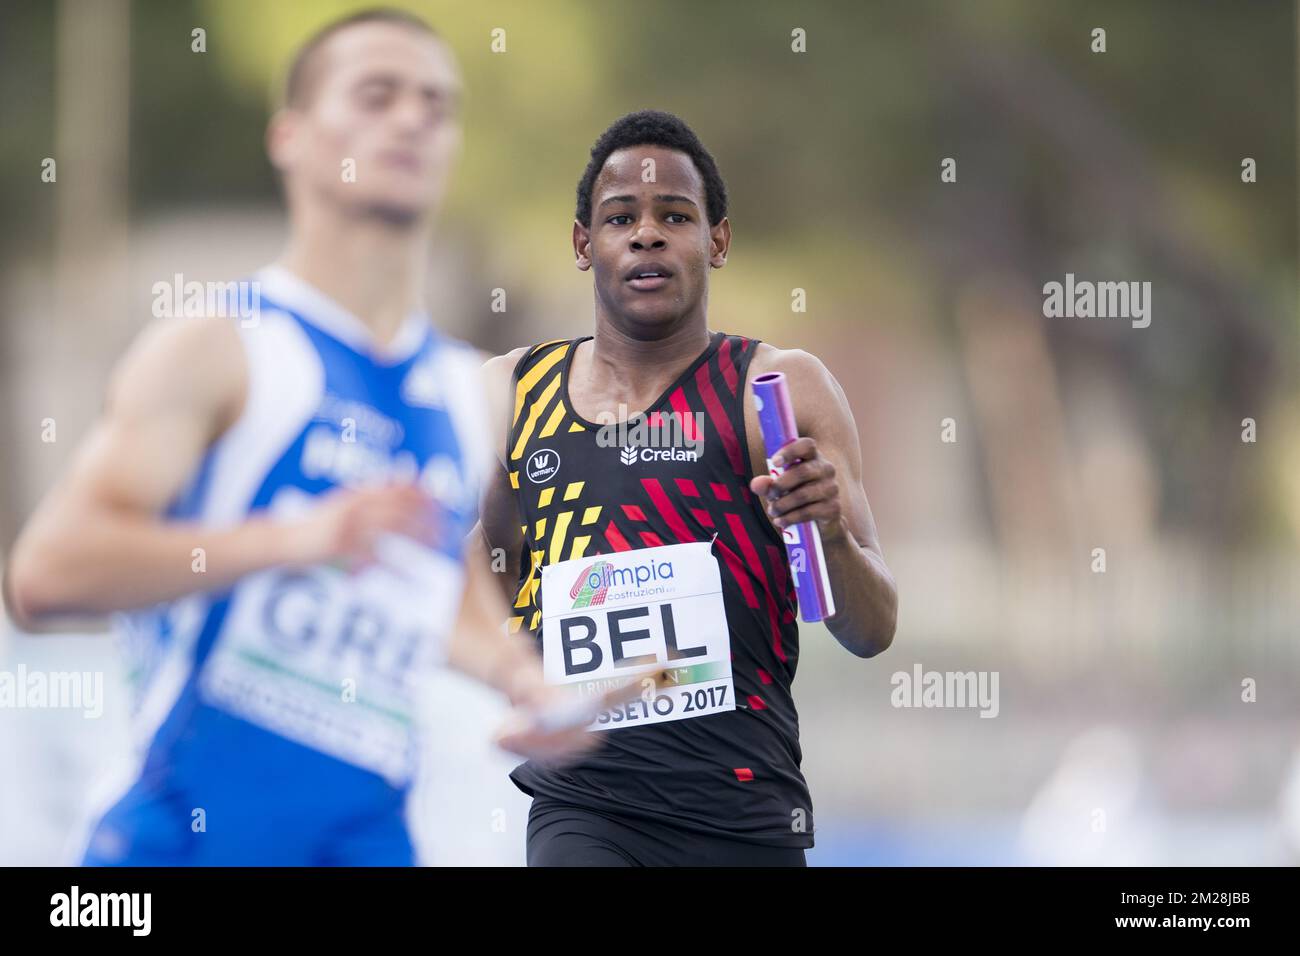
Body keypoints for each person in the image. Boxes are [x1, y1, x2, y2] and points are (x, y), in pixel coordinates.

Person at [4, 8, 598, 867]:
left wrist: (526, 682)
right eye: (376, 95)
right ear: (292, 137)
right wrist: (302, 538)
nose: (410, 120)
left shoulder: (469, 394)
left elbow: (436, 582)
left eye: (436, 104)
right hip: (179, 846)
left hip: (367, 845)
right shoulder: (222, 346)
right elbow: (46, 574)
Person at [473, 110, 900, 866]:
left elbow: (871, 630)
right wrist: (522, 675)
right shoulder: (511, 396)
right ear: (583, 244)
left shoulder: (776, 390)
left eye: (676, 215)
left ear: (718, 241)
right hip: (584, 806)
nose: (647, 235)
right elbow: (480, 576)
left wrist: (828, 532)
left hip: (744, 807)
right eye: (619, 218)